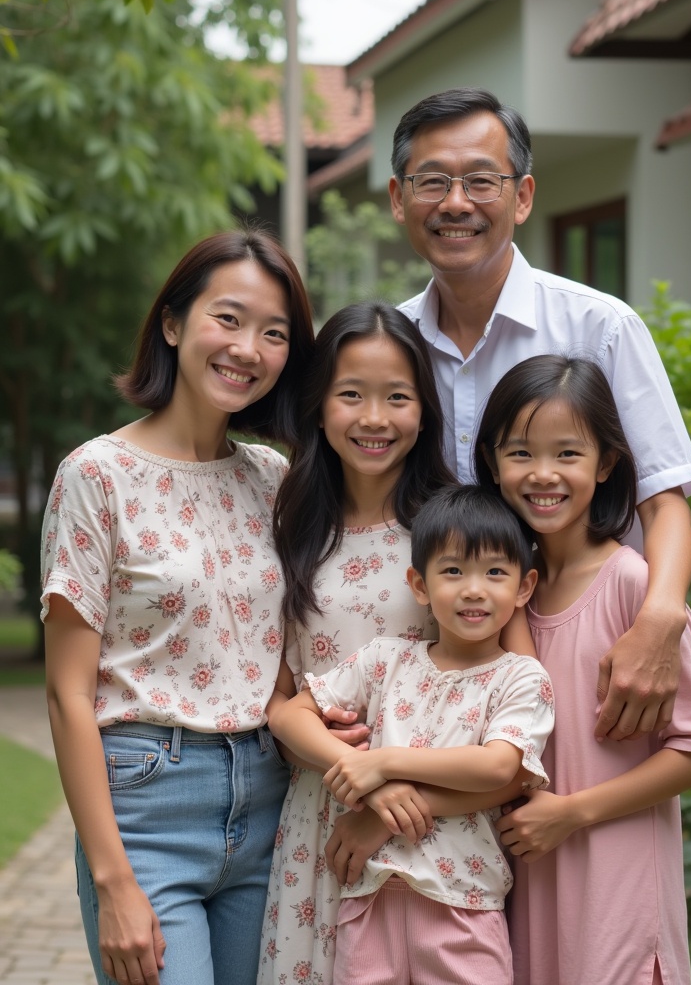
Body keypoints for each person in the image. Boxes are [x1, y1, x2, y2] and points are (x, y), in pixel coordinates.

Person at [40, 228, 315, 985]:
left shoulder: (272, 478)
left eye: (274, 333)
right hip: (147, 807)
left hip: (268, 803)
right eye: (227, 319)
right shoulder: (98, 475)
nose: (248, 349)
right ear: (172, 323)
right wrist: (113, 880)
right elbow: (67, 694)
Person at [390, 86, 691, 744]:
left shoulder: (600, 326)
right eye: (431, 182)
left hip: (589, 659)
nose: (455, 203)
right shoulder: (391, 345)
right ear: (399, 198)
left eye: (481, 181)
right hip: (442, 672)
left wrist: (659, 622)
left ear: (523, 196)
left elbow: (662, 497)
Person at [473, 354, 691, 985]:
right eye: (519, 453)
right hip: (532, 884)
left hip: (619, 891)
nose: (543, 475)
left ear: (607, 463)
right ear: (490, 460)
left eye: (568, 453)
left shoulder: (633, 587)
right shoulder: (506, 596)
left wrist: (574, 812)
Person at [267, 484, 555, 985]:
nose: (473, 589)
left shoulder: (521, 677)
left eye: (494, 572)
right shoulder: (387, 659)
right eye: (452, 571)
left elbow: (498, 766)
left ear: (524, 587)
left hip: (463, 903)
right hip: (367, 896)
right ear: (419, 586)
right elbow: (289, 717)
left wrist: (383, 762)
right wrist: (364, 773)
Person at [258, 302, 459, 984]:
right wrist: (363, 787)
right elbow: (282, 702)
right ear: (319, 407)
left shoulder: (452, 532)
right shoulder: (290, 528)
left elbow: (502, 676)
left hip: (429, 814)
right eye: (351, 395)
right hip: (319, 816)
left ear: (424, 411)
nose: (374, 419)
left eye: (397, 397)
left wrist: (388, 795)